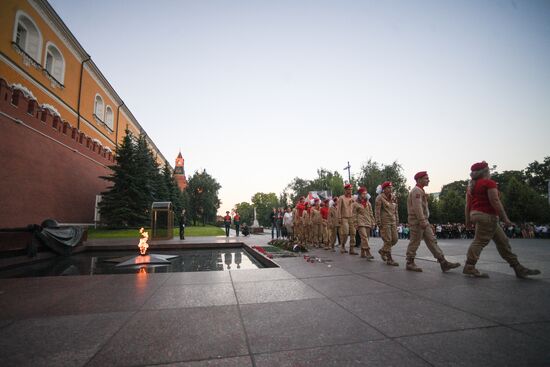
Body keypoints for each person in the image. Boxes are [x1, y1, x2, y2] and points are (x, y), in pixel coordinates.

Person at [464, 161, 541, 278]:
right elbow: (495, 201)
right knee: (480, 241)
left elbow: (467, 205)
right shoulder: (489, 183)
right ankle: (469, 266)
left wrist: (467, 221)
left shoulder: (471, 186)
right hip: (487, 216)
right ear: (486, 171)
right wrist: (505, 218)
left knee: (503, 241)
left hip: (477, 214)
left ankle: (517, 267)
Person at [405, 171, 461, 272]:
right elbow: (417, 208)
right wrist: (422, 220)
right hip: (418, 221)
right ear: (419, 180)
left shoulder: (420, 191)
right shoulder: (416, 191)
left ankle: (443, 262)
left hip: (423, 221)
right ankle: (410, 262)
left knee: (432, 241)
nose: (428, 180)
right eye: (426, 178)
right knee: (415, 241)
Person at [375, 181, 399, 266]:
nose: (391, 189)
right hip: (384, 222)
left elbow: (396, 210)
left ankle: (382, 251)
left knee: (395, 239)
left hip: (393, 221)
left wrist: (397, 221)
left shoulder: (393, 197)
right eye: (388, 188)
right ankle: (390, 259)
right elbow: (377, 211)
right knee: (388, 240)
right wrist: (378, 222)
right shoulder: (379, 198)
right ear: (384, 189)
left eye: (391, 187)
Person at [353, 187, 375, 259]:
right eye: (363, 193)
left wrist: (373, 222)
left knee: (366, 238)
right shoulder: (355, 204)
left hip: (368, 221)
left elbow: (371, 213)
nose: (364, 195)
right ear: (359, 194)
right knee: (364, 237)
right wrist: (355, 223)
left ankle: (362, 252)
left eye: (365, 193)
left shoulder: (368, 203)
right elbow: (354, 214)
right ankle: (368, 252)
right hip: (360, 222)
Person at [337, 184, 358, 255]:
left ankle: (352, 248)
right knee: (345, 233)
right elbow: (339, 209)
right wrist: (339, 218)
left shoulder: (353, 198)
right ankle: (343, 245)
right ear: (345, 190)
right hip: (344, 218)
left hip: (352, 218)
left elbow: (356, 208)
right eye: (349, 189)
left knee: (353, 233)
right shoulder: (341, 198)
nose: (350, 191)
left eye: (351, 189)